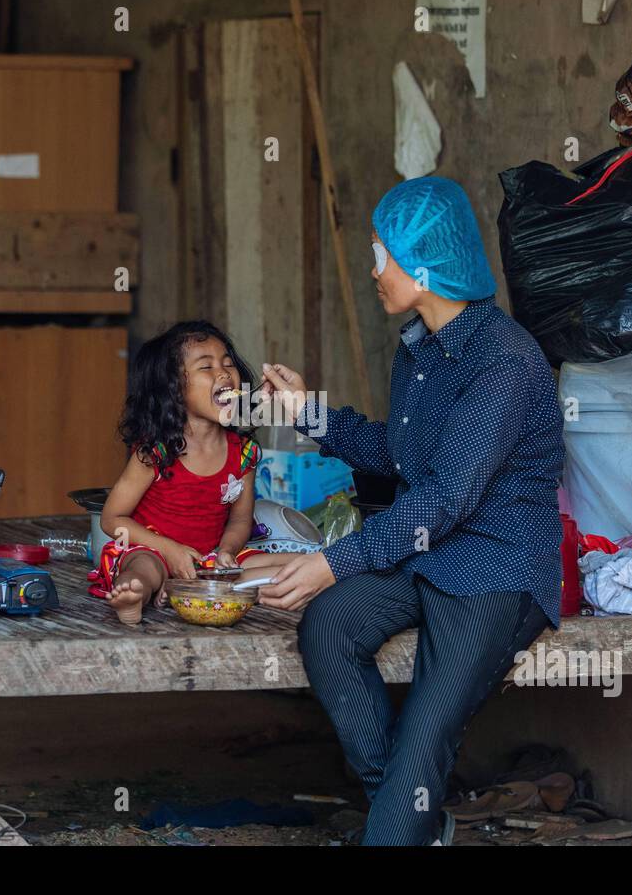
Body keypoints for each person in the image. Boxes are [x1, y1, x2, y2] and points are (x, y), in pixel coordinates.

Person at [258, 176, 565, 845]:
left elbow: (448, 497)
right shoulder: (419, 349)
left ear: (423, 269)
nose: (374, 270)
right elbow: (400, 457)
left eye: (381, 255)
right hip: (428, 551)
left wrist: (334, 561)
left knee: (427, 734)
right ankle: (414, 820)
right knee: (329, 628)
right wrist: (313, 415)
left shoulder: (504, 363)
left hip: (496, 568)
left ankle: (403, 816)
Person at [93, 321, 293, 625]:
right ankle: (134, 595)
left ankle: (198, 587)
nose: (224, 373)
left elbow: (240, 519)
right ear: (173, 387)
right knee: (143, 568)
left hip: (211, 561)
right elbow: (112, 519)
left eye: (228, 363)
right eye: (206, 367)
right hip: (156, 551)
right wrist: (171, 551)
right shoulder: (156, 453)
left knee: (294, 565)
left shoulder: (244, 453)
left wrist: (226, 551)